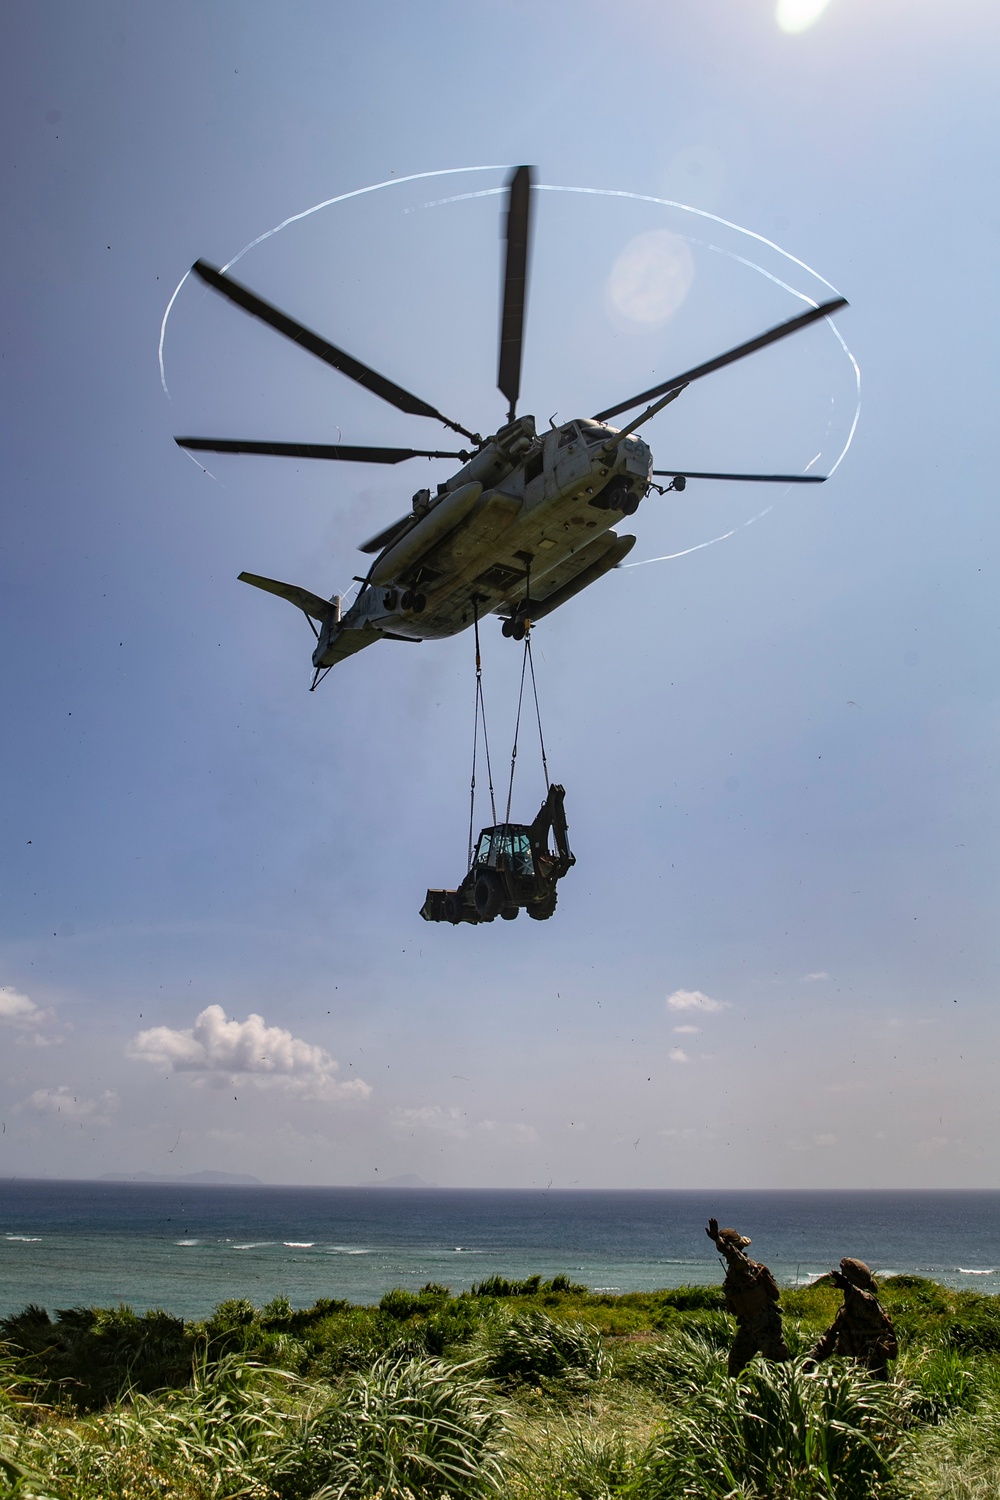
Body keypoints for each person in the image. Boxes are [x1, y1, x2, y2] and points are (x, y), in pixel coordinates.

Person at [706, 1217, 790, 1375]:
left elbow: (733, 1255)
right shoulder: (736, 1269)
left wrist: (717, 1239)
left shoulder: (744, 1266)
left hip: (766, 1324)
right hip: (749, 1326)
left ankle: (786, 1397)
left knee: (780, 1368)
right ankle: (739, 1398)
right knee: (736, 1363)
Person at [806, 1258, 898, 1379]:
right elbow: (831, 1336)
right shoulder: (850, 1308)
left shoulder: (869, 1303)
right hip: (857, 1366)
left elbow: (862, 1298)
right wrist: (811, 1360)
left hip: (874, 1367)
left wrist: (848, 1288)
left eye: (845, 1276)